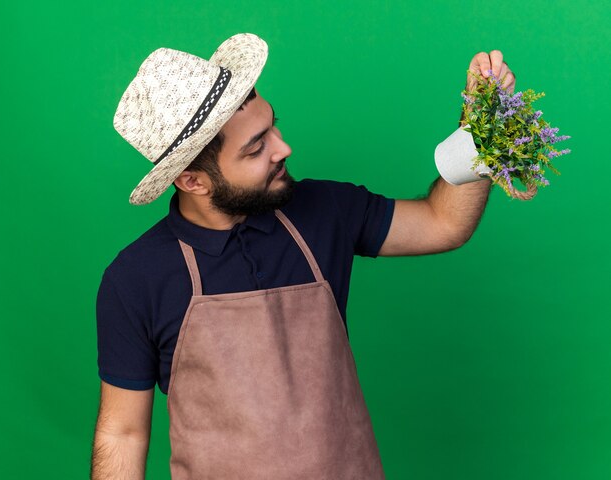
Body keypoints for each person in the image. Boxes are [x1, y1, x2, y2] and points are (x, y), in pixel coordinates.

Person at [90, 33, 515, 479]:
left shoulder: (324, 211)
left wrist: (482, 130)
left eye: (272, 126)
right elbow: (122, 433)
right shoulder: (135, 278)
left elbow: (442, 223)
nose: (282, 148)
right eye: (255, 148)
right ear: (194, 181)